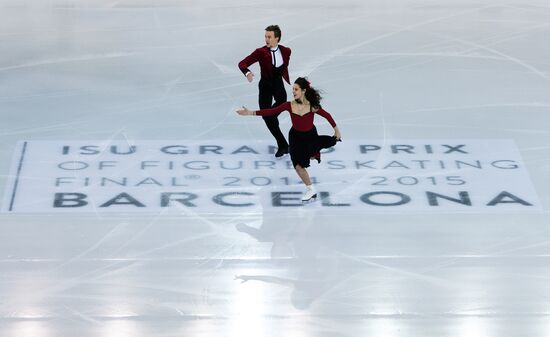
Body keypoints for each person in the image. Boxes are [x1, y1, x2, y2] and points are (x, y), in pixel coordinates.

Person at [237, 77, 342, 202]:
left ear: (303, 91)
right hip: (295, 137)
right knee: (298, 166)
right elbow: (271, 111)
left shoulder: (312, 106)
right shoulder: (289, 105)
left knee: (312, 154)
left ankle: (312, 154)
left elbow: (327, 115)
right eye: (293, 89)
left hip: (310, 136)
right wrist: (250, 113)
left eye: (296, 89)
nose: (293, 91)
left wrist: (337, 130)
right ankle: (310, 189)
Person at [238, 25, 291, 157]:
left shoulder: (286, 51)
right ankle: (283, 145)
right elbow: (242, 63)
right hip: (265, 87)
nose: (266, 39)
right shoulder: (261, 52)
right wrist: (247, 73)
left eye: (269, 37)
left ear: (276, 38)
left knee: (271, 117)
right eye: (265, 36)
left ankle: (284, 145)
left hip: (279, 87)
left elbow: (284, 66)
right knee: (267, 116)